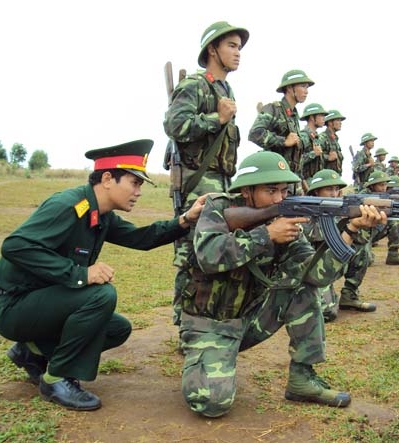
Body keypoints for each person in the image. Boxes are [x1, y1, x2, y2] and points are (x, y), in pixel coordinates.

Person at [0, 139, 207, 411]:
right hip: (13, 306)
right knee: (100, 295)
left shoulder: (101, 215)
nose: (138, 192)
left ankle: (31, 351)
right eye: (134, 183)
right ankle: (56, 379)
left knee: (116, 329)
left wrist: (185, 219)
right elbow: (15, 246)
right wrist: (80, 273)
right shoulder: (68, 205)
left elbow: (141, 238)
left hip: (39, 304)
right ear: (107, 179)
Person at [178, 151, 387, 417]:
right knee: (211, 404)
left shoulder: (286, 224)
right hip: (210, 325)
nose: (280, 198)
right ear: (247, 191)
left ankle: (302, 378)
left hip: (251, 318)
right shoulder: (218, 208)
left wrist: (350, 231)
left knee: (302, 288)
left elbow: (315, 276)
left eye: (284, 190)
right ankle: (202, 357)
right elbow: (209, 256)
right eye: (271, 190)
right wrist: (265, 235)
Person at [163, 20, 249, 325]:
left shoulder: (224, 88)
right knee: (191, 254)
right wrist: (217, 118)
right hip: (197, 184)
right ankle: (184, 323)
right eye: (231, 46)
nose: (238, 53)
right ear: (212, 49)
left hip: (221, 182)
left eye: (239, 47)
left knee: (212, 250)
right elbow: (175, 125)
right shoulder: (195, 85)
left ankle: (203, 317)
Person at [248, 69, 315, 195]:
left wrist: (301, 183)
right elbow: (255, 134)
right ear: (289, 88)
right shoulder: (274, 109)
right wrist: (283, 141)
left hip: (293, 182)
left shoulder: (293, 115)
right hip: (276, 184)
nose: (306, 91)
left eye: (307, 87)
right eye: (303, 86)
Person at [302, 169, 350, 321]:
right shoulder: (304, 208)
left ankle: (349, 294)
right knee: (328, 313)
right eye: (329, 189)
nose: (334, 194)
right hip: (308, 267)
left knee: (360, 251)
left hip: (324, 264)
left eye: (336, 189)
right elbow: (313, 235)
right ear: (316, 192)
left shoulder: (334, 208)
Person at [363, 170, 399, 265]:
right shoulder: (362, 197)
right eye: (381, 185)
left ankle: (393, 255)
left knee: (396, 221)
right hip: (361, 234)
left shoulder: (384, 196)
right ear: (372, 186)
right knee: (366, 261)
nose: (384, 188)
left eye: (385, 185)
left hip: (374, 230)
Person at [299, 103, 329, 187]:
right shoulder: (303, 136)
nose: (324, 118)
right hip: (305, 183)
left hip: (316, 182)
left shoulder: (315, 137)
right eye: (321, 115)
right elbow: (295, 161)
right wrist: (313, 154)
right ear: (312, 118)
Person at [318, 110, 346, 175]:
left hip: (335, 176)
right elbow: (315, 154)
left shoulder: (335, 139)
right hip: (325, 176)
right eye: (338, 120)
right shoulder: (323, 138)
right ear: (330, 122)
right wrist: (328, 157)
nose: (340, 123)